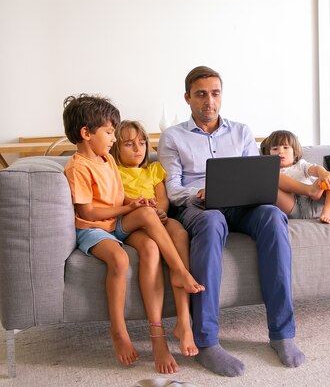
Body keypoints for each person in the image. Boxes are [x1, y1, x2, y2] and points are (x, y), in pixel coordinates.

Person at [158, 66, 305, 377]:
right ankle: (207, 342)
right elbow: (172, 189)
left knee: (274, 215)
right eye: (201, 94)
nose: (209, 100)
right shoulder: (172, 137)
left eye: (215, 93)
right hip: (199, 207)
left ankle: (282, 334)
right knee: (211, 221)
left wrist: (257, 192)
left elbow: (257, 176)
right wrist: (199, 192)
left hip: (243, 205)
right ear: (187, 98)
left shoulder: (241, 132)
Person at [61, 94, 204, 368]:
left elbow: (116, 199)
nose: (112, 139)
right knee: (121, 258)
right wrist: (128, 210)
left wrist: (133, 203)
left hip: (115, 223)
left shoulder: (107, 160)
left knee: (153, 233)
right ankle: (119, 330)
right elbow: (88, 212)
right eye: (109, 132)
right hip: (93, 229)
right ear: (86, 133)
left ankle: (164, 322)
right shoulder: (77, 167)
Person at [111, 120, 197, 373]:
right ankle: (158, 336)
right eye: (129, 144)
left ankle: (183, 321)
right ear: (116, 147)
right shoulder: (112, 170)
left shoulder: (154, 169)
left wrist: (159, 210)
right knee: (149, 246)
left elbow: (162, 199)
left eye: (141, 143)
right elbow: (115, 198)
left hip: (155, 219)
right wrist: (140, 205)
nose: (137, 149)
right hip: (130, 223)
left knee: (180, 234)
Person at [260, 130, 330, 224]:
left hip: (312, 202)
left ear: (295, 154)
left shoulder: (301, 165)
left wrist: (323, 173)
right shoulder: (272, 171)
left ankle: (327, 213)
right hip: (291, 206)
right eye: (275, 149)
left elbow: (315, 169)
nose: (280, 152)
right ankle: (310, 190)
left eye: (286, 147)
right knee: (271, 177)